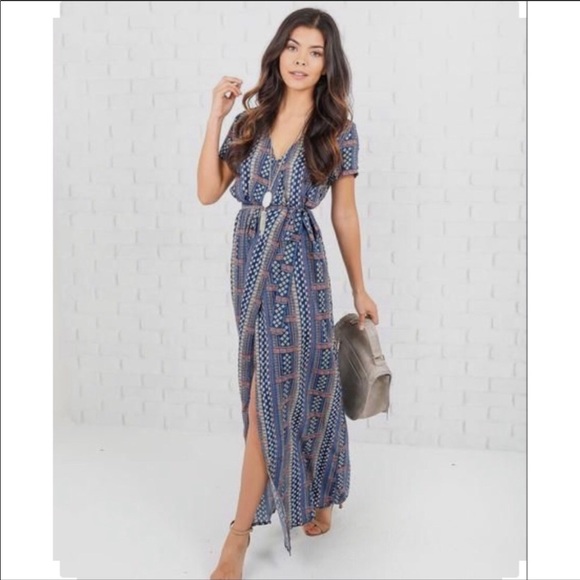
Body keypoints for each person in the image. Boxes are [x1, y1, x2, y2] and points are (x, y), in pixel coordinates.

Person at [197, 7, 379, 580]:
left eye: (315, 52)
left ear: (328, 65)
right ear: (278, 52)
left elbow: (344, 213)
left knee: (269, 399)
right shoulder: (251, 119)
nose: (301, 60)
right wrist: (214, 116)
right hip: (249, 265)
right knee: (296, 384)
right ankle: (321, 491)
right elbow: (207, 191)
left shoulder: (337, 128)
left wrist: (360, 287)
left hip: (300, 269)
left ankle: (238, 536)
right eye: (293, 47)